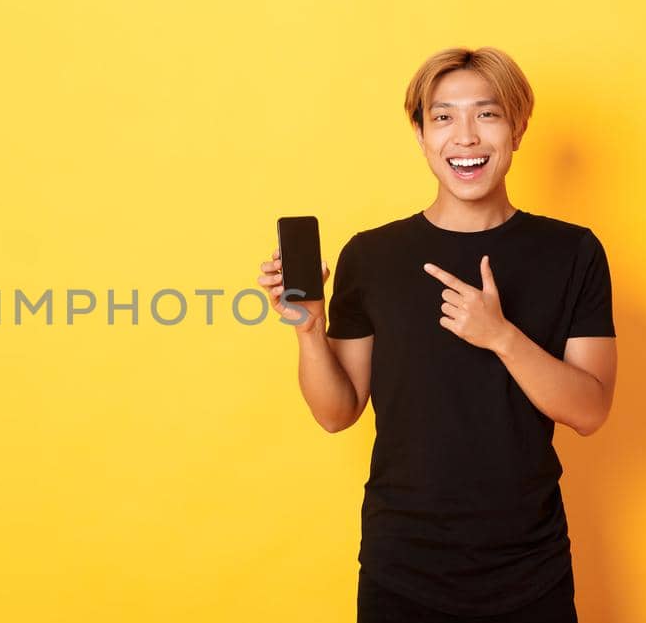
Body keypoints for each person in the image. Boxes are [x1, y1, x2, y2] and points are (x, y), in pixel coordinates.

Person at [256, 47, 618, 622]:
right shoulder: (372, 256)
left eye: (488, 114)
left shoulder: (572, 252)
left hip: (529, 565)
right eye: (443, 117)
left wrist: (501, 336)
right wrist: (308, 331)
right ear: (421, 135)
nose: (465, 137)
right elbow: (336, 411)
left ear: (518, 129)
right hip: (402, 567)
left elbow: (591, 409)